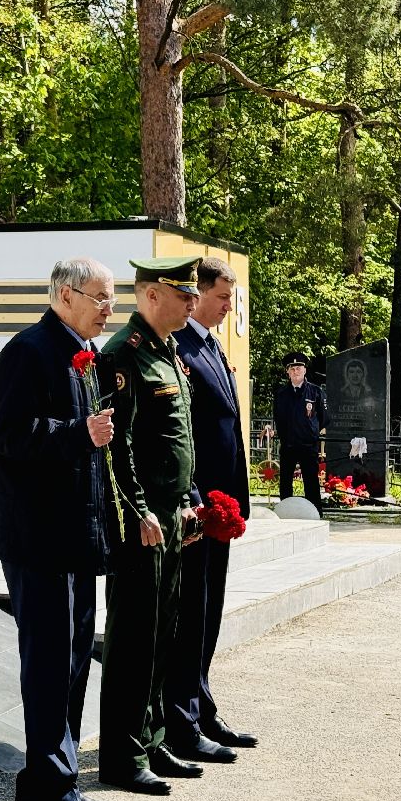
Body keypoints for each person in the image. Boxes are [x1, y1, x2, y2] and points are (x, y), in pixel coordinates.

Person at [0, 258, 117, 801]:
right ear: (64, 295)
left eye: (111, 297)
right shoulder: (27, 351)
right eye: (100, 297)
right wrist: (79, 433)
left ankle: (49, 784)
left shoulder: (84, 354)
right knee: (52, 664)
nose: (109, 307)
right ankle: (56, 796)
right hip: (39, 536)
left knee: (75, 662)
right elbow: (8, 438)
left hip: (76, 530)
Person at [97, 256, 206, 796]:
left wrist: (185, 502)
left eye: (192, 294)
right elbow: (119, 446)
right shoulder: (124, 356)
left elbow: (176, 442)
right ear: (150, 296)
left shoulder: (170, 354)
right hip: (142, 517)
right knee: (134, 637)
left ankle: (152, 736)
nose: (192, 302)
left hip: (171, 513)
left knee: (163, 631)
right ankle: (120, 754)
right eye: (182, 294)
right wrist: (138, 511)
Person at [167, 257, 259, 762]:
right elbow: (186, 438)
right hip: (199, 508)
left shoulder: (207, 345)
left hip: (221, 508)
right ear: (197, 294)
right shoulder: (180, 347)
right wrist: (200, 500)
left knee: (209, 613)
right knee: (191, 616)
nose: (228, 307)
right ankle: (182, 718)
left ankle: (201, 705)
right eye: (222, 298)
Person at [273, 352, 326, 512]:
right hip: (288, 444)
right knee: (285, 482)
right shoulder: (281, 394)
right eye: (292, 369)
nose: (296, 371)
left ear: (305, 370)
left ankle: (315, 511)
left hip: (308, 445)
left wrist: (312, 431)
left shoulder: (315, 392)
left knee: (310, 481)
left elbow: (323, 417)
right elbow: (278, 417)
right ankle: (285, 512)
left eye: (299, 368)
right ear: (287, 372)